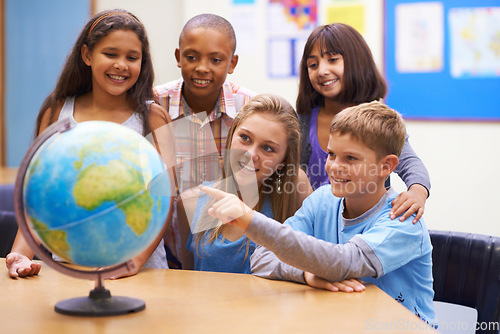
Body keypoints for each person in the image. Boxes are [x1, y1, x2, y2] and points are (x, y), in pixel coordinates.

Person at [201, 101, 436, 324]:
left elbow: (344, 262)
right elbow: (262, 258)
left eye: (350, 158)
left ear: (386, 166)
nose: (334, 167)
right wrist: (306, 274)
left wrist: (249, 220)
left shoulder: (404, 219)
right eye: (332, 154)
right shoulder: (323, 200)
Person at [6, 9, 175, 279]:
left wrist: (132, 263)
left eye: (132, 57)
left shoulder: (153, 119)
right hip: (70, 268)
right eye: (110, 54)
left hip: (142, 273)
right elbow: (38, 195)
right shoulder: (56, 112)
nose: (121, 64)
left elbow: (166, 198)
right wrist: (21, 255)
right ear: (87, 55)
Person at [297, 23, 430, 224]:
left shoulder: (375, 121)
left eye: (333, 60)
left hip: (366, 226)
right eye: (313, 65)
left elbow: (410, 162)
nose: (322, 71)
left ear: (356, 62)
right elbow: (292, 173)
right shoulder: (304, 120)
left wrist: (417, 193)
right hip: (316, 229)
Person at [153, 13, 256, 266]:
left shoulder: (250, 109)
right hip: (165, 249)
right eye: (191, 57)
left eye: (216, 59)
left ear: (232, 63)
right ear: (178, 57)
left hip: (228, 253)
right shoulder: (154, 106)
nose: (202, 67)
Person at [176, 94, 313, 274]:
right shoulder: (190, 203)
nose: (250, 154)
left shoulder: (294, 198)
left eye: (268, 148)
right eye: (245, 138)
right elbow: (188, 280)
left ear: (283, 162)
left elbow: (316, 265)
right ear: (232, 136)